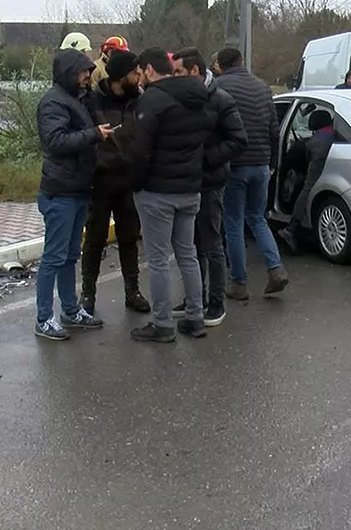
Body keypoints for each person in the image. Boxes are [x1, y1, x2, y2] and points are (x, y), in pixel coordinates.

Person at [126, 48, 219, 342]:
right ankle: (195, 318)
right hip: (190, 189)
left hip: (157, 192)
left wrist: (136, 184)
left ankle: (163, 323)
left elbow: (140, 149)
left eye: (140, 72)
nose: (139, 78)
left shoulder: (152, 99)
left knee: (157, 260)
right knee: (188, 255)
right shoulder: (198, 96)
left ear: (149, 70)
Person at [34, 49, 110, 341]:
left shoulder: (76, 99)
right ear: (69, 72)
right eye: (82, 72)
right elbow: (55, 142)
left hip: (78, 189)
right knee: (53, 257)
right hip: (60, 191)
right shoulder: (53, 102)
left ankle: (70, 309)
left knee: (68, 256)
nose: (87, 77)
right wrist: (94, 134)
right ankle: (43, 318)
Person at [171, 47, 248, 327]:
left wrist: (206, 159)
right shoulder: (183, 98)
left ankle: (216, 303)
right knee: (191, 245)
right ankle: (195, 298)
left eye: (179, 72)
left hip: (210, 182)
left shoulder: (220, 99)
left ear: (194, 71)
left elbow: (239, 140)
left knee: (212, 242)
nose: (175, 77)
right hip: (185, 181)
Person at [214, 47, 289, 299]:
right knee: (258, 218)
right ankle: (275, 269)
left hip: (234, 164)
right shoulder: (262, 86)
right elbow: (274, 129)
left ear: (219, 66)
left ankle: (238, 282)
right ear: (241, 61)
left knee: (233, 222)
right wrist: (272, 162)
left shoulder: (218, 87)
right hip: (261, 164)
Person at [79, 49, 149, 314]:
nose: (139, 76)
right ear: (121, 76)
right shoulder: (93, 101)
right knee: (95, 239)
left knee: (129, 238)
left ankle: (133, 292)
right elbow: (86, 136)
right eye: (134, 72)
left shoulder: (139, 100)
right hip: (100, 181)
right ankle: (88, 295)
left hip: (129, 181)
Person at [278, 109, 336, 255]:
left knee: (307, 189)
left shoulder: (314, 141)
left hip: (318, 164)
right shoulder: (334, 133)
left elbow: (307, 156)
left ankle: (291, 228)